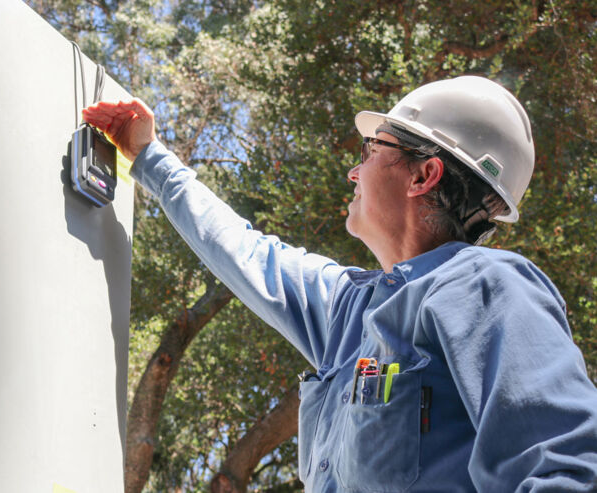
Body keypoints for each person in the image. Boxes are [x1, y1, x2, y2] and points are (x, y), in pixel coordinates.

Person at [82, 76, 597, 492]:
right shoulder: (351, 309)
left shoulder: (489, 286)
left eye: (373, 148)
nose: (355, 171)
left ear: (424, 176)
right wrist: (147, 156)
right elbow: (245, 252)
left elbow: (567, 467)